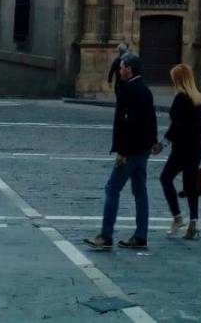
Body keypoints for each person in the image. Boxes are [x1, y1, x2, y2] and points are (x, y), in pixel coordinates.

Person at [85, 53, 160, 251]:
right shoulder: (144, 90)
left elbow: (128, 125)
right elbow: (152, 120)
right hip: (143, 149)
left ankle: (106, 235)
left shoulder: (130, 91)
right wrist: (152, 142)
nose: (119, 69)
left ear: (129, 69)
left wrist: (122, 152)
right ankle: (141, 235)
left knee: (112, 188)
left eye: (122, 67)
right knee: (140, 192)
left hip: (131, 151)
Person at [160, 64, 201, 241]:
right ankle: (193, 222)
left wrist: (162, 143)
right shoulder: (196, 97)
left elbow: (177, 126)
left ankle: (178, 218)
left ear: (179, 79)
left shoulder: (181, 97)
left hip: (183, 147)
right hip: (196, 145)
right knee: (190, 184)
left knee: (166, 178)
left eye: (173, 77)